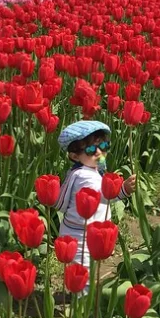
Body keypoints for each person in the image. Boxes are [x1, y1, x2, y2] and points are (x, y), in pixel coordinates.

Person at [54, 120, 136, 294]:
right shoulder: (81, 175)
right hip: (79, 234)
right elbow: (61, 202)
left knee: (88, 270)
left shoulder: (92, 171)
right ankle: (82, 302)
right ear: (75, 156)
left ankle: (84, 299)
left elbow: (104, 196)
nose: (99, 152)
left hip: (90, 232)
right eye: (91, 150)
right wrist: (122, 189)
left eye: (103, 146)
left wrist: (122, 189)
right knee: (83, 273)